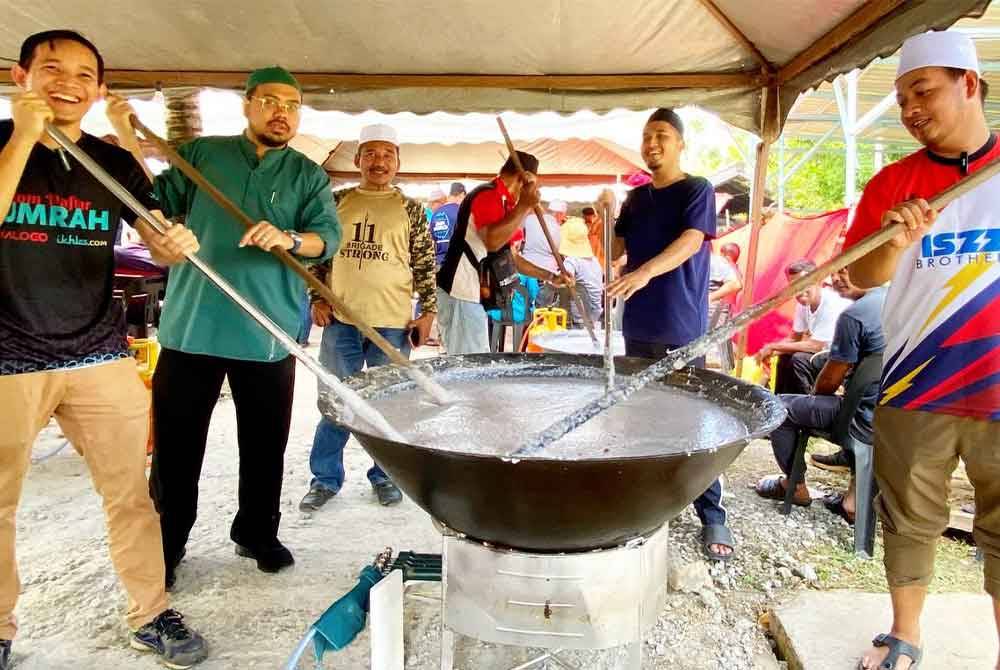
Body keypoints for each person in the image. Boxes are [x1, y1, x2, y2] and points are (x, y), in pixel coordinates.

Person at [0, 30, 208, 668]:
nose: (69, 82)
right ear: (21, 75)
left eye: (84, 74)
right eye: (53, 69)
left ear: (98, 88)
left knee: (130, 492)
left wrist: (172, 243)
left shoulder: (109, 162)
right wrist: (22, 139)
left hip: (98, 349)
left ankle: (150, 611)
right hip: (7, 355)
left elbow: (153, 228)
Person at [109, 66, 342, 585]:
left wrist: (288, 238)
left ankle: (256, 531)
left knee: (265, 445)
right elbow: (153, 205)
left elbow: (327, 237)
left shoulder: (307, 174)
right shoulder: (202, 155)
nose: (282, 112)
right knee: (175, 448)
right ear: (248, 105)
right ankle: (166, 545)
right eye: (271, 101)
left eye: (292, 104)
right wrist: (128, 137)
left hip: (269, 332)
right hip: (193, 329)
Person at [845, 31, 998, 670]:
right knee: (909, 516)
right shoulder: (894, 183)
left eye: (922, 90)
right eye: (904, 95)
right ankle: (905, 635)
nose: (909, 107)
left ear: (971, 83)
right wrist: (893, 238)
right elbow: (861, 277)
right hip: (916, 381)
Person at [607, 108, 734, 562]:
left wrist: (644, 273)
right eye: (645, 136)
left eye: (661, 135)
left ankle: (712, 513)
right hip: (637, 324)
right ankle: (649, 503)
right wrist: (601, 222)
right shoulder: (635, 199)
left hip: (680, 323)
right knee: (639, 414)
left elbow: (693, 241)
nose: (651, 144)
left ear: (680, 143)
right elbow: (615, 251)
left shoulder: (696, 189)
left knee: (688, 416)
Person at [301, 124, 437, 511]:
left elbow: (426, 264)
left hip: (392, 324)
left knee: (389, 406)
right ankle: (325, 479)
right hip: (341, 320)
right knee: (336, 402)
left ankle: (385, 477)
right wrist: (317, 297)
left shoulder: (411, 208)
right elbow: (318, 255)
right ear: (358, 160)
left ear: (397, 162)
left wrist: (427, 312)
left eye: (387, 155)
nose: (379, 162)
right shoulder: (336, 200)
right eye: (372, 154)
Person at [754, 269, 886, 514]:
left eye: (847, 269)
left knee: (779, 406)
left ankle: (795, 487)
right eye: (835, 272)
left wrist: (816, 396)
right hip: (895, 419)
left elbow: (828, 382)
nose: (837, 278)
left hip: (859, 420)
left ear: (870, 263)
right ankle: (853, 500)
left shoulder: (856, 314)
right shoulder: (899, 300)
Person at [437, 152, 573, 350]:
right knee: (468, 365)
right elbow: (492, 242)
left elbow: (511, 257)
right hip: (461, 292)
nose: (535, 190)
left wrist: (551, 276)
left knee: (474, 362)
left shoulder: (507, 204)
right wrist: (524, 205)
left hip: (475, 294)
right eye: (534, 184)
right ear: (523, 179)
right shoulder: (487, 195)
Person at [757, 259, 853, 395]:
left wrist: (774, 346)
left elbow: (816, 346)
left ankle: (809, 401)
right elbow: (794, 339)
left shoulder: (831, 304)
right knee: (785, 358)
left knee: (799, 359)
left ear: (817, 280)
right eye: (795, 287)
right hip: (823, 355)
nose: (800, 291)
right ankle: (781, 399)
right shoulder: (803, 305)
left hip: (842, 360)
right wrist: (770, 352)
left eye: (804, 284)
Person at [559, 217, 603, 328]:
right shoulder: (594, 261)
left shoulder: (572, 261)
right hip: (593, 315)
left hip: (577, 318)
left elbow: (565, 277)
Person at [520, 201, 564, 308]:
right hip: (546, 272)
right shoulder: (557, 228)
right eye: (562, 215)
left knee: (525, 304)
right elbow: (559, 250)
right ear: (559, 214)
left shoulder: (529, 220)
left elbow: (521, 238)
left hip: (526, 267)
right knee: (542, 308)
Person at [582, 205, 607, 270]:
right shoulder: (590, 223)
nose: (583, 218)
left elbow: (595, 239)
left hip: (598, 254)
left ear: (589, 216)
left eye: (584, 216)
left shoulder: (600, 223)